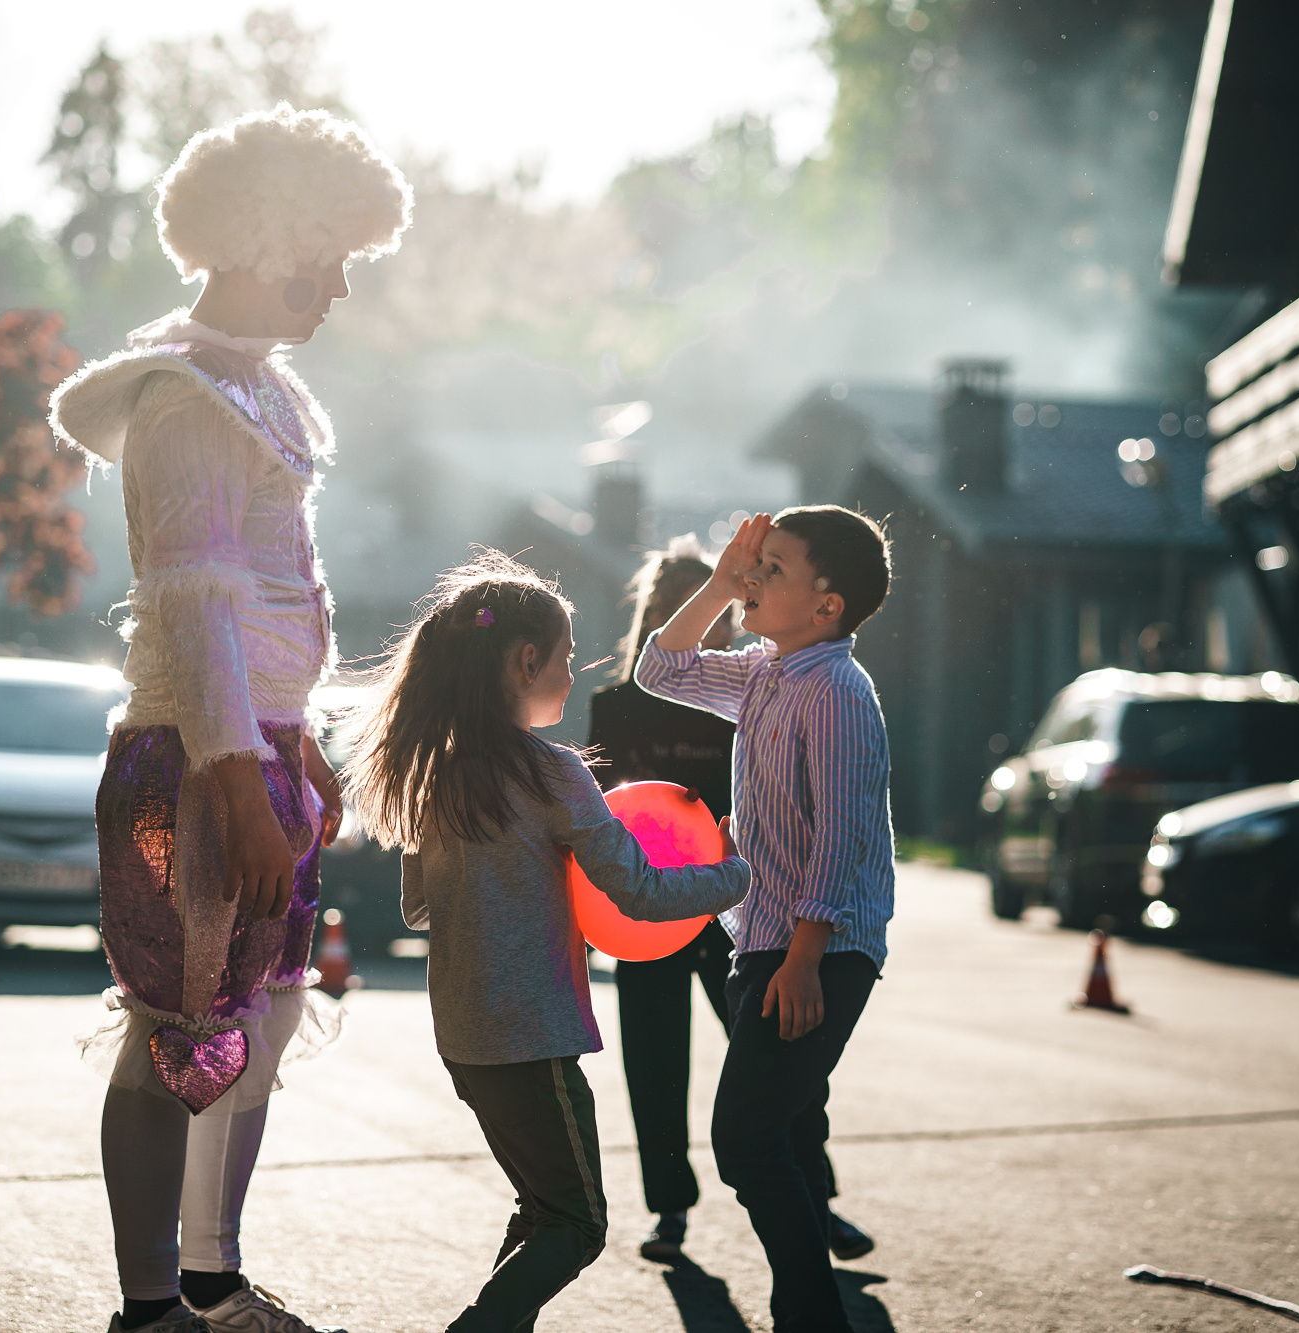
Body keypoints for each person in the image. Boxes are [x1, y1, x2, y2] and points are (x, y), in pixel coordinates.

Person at [48, 104, 412, 1333]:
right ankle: (151, 1308)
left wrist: (299, 744)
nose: (342, 290)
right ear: (277, 240)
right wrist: (237, 775)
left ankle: (211, 1278)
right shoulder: (185, 394)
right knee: (175, 1031)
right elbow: (190, 602)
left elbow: (260, 607)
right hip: (195, 766)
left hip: (259, 751)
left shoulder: (265, 392)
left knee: (258, 1020)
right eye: (336, 257)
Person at [342, 553, 751, 1333]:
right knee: (578, 1223)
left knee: (542, 1206)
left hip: (466, 1039)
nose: (574, 671)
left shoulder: (438, 775)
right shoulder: (556, 773)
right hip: (535, 1037)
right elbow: (641, 891)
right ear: (525, 660)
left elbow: (419, 907)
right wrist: (738, 873)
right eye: (566, 657)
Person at [636, 507, 897, 1333]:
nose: (754, 580)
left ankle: (811, 1315)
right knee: (766, 1132)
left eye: (772, 569)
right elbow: (662, 670)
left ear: (827, 605)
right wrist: (719, 581)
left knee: (748, 1137)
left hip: (817, 946)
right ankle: (810, 1311)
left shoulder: (839, 691)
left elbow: (845, 833)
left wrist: (806, 958)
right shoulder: (764, 673)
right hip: (766, 940)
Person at [587, 539, 875, 1266]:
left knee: (782, 1071)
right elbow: (599, 812)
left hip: (737, 899)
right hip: (646, 905)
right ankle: (670, 1210)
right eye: (677, 603)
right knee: (654, 1065)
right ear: (661, 610)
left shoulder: (747, 681)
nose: (715, 617)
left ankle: (819, 1200)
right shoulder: (617, 705)